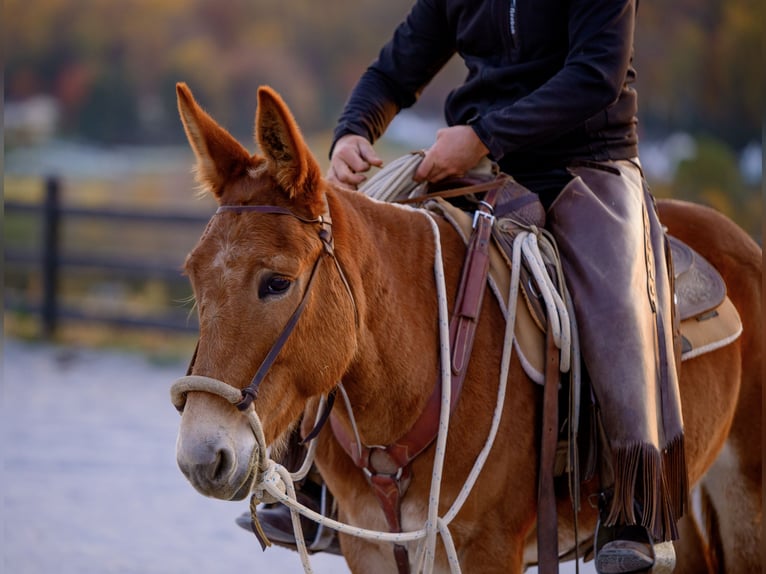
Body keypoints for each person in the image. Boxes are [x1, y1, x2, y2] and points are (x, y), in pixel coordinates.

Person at [247, 1, 688, 572]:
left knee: (614, 307)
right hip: (474, 167)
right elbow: (393, 71)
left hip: (586, 163)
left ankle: (634, 508)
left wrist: (482, 133)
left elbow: (595, 75)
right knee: (342, 261)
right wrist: (354, 130)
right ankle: (314, 479)